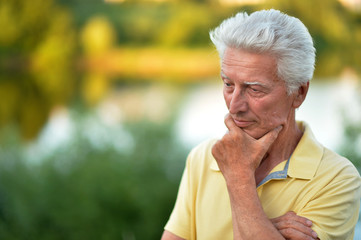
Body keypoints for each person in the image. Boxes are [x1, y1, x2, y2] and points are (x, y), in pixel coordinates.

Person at [161, 9, 361, 240]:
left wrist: (238, 178)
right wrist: (267, 229)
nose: (234, 106)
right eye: (228, 84)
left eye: (254, 89)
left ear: (299, 93)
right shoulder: (203, 157)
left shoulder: (337, 180)